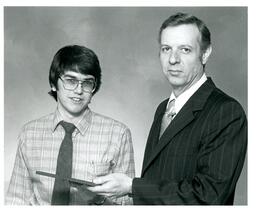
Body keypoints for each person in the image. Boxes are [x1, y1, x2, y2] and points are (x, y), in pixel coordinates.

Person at [88, 12, 247, 205]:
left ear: (205, 54)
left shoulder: (226, 112)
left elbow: (209, 195)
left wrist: (132, 187)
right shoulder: (163, 108)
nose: (173, 59)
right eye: (166, 49)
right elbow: (158, 181)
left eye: (185, 50)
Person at [5, 45, 135, 205]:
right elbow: (16, 200)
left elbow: (127, 204)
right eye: (70, 80)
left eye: (87, 83)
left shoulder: (118, 134)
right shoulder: (29, 134)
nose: (79, 90)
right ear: (54, 84)